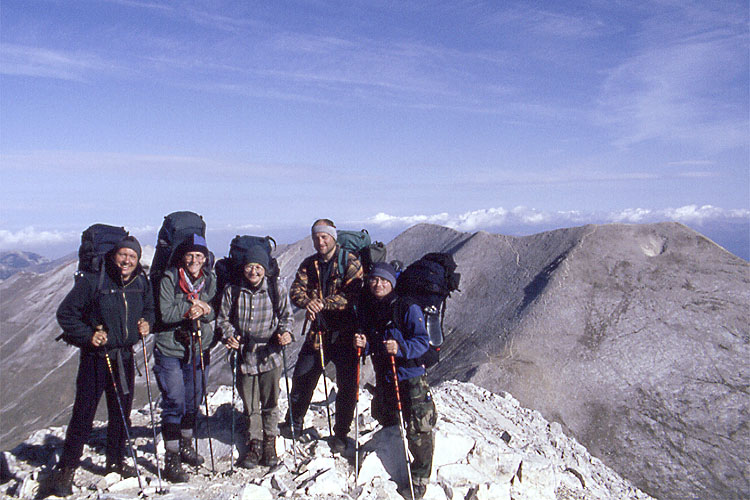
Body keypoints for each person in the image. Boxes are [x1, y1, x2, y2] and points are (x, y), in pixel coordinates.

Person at [53, 236, 154, 497]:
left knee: (121, 412)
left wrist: (147, 323)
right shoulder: (93, 281)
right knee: (84, 413)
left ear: (138, 259)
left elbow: (150, 310)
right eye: (123, 255)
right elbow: (66, 314)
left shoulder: (141, 282)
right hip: (95, 358)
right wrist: (88, 336)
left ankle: (115, 460)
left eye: (132, 256)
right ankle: (67, 468)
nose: (127, 260)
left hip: (124, 357)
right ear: (113, 255)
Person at [354, 262, 437, 500]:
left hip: (410, 377)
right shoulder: (371, 307)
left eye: (384, 280)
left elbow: (423, 342)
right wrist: (364, 344)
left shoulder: (407, 307)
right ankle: (394, 462)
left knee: (418, 428)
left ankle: (419, 480)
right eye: (374, 280)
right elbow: (374, 340)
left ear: (393, 282)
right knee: (388, 417)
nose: (378, 284)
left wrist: (400, 348)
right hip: (387, 375)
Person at [284, 218, 364, 452]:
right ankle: (294, 422)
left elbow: (353, 294)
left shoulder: (350, 262)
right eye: (316, 237)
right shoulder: (310, 264)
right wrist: (309, 303)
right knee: (302, 376)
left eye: (324, 237)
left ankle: (340, 433)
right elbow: (295, 290)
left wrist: (321, 304)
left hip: (345, 334)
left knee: (347, 386)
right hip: (318, 333)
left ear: (333, 237)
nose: (320, 241)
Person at [217, 246, 294, 467]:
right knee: (250, 402)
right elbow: (223, 320)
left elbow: (286, 317)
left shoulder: (275, 288)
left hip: (270, 352)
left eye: (258, 267)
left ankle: (269, 440)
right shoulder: (233, 291)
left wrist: (286, 333)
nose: (254, 271)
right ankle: (255, 442)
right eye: (250, 266)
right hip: (244, 354)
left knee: (270, 399)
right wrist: (229, 335)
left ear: (265, 269)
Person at [153, 234, 216, 482]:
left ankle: (186, 445)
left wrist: (207, 309)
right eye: (190, 255)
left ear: (205, 258)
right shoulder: (170, 279)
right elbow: (166, 313)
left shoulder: (208, 280)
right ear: (182, 257)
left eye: (199, 256)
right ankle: (171, 457)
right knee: (175, 400)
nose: (194, 260)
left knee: (194, 398)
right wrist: (193, 308)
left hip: (198, 347)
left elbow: (212, 313)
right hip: (170, 348)